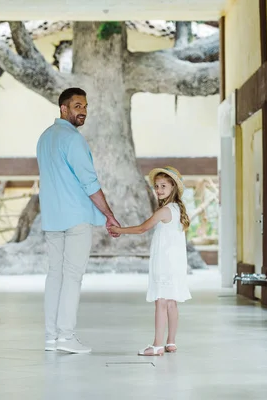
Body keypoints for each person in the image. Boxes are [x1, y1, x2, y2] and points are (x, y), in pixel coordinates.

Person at [36, 87, 121, 354]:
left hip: (52, 217)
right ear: (63, 108)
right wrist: (108, 213)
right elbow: (89, 182)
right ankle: (66, 337)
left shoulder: (44, 138)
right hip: (75, 218)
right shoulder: (72, 140)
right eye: (77, 106)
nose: (82, 111)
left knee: (55, 276)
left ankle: (51, 337)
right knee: (72, 277)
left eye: (85, 106)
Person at [109, 166, 191, 356]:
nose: (159, 190)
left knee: (160, 302)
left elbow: (142, 228)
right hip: (176, 264)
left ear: (173, 187)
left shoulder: (165, 211)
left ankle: (157, 345)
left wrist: (119, 230)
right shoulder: (178, 209)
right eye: (156, 186)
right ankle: (171, 342)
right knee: (171, 302)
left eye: (163, 186)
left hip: (164, 263)